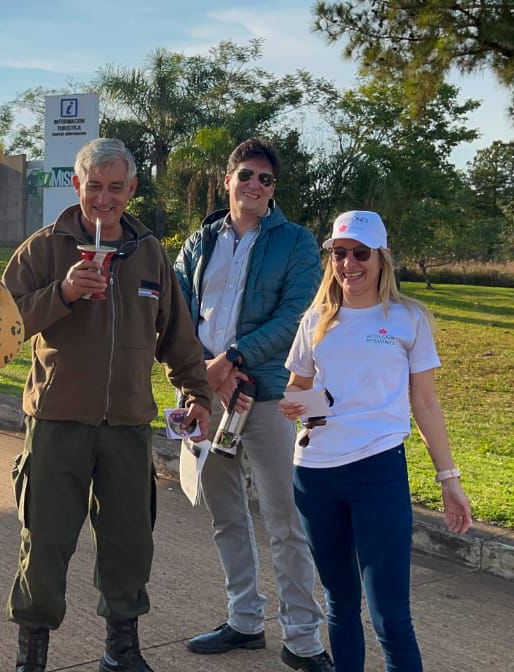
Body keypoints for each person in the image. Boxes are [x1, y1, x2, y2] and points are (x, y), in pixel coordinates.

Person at [2, 138, 213, 672]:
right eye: (93, 186)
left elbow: (178, 337)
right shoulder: (45, 248)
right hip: (57, 424)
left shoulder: (149, 253)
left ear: (131, 190)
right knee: (45, 543)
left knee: (128, 544)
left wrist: (196, 393)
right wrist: (64, 293)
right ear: (76, 186)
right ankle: (32, 657)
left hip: (126, 426)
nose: (104, 199)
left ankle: (121, 650)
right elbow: (3, 328)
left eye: (115, 187)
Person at [280, 211, 473, 672]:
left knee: (391, 617)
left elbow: (425, 403)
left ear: (382, 258)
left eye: (360, 253)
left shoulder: (408, 319)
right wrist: (298, 404)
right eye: (340, 253)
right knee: (340, 606)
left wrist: (449, 479)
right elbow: (295, 388)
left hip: (378, 472)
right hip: (315, 475)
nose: (349, 264)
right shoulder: (316, 320)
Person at [173, 138, 333, 671]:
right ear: (227, 180)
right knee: (225, 513)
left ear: (273, 190)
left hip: (262, 397)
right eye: (246, 175)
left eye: (266, 179)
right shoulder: (199, 243)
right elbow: (176, 313)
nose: (255, 185)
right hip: (205, 397)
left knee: (287, 519)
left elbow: (297, 316)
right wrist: (204, 372)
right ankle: (244, 620)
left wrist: (233, 359)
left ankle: (303, 639)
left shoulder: (297, 243)